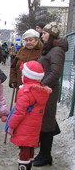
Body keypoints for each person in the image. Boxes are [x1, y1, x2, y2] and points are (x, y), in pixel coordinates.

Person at [34, 22, 68, 167]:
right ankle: (44, 153)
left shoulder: (56, 50)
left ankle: (45, 155)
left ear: (52, 34)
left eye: (45, 33)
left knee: (46, 122)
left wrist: (41, 85)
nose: (42, 36)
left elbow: (55, 73)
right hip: (44, 90)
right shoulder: (50, 49)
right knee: (45, 120)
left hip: (48, 91)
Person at [7, 61, 52, 170]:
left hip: (24, 126)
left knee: (24, 150)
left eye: (23, 74)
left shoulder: (25, 91)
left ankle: (23, 167)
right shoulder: (41, 91)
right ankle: (29, 166)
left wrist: (11, 126)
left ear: (27, 76)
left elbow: (19, 112)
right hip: (34, 126)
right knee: (30, 146)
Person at [9, 29, 43, 95]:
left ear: (36, 40)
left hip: (35, 86)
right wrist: (13, 80)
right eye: (26, 40)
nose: (28, 42)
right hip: (20, 84)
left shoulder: (41, 51)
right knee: (21, 103)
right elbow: (13, 67)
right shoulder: (21, 51)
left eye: (30, 40)